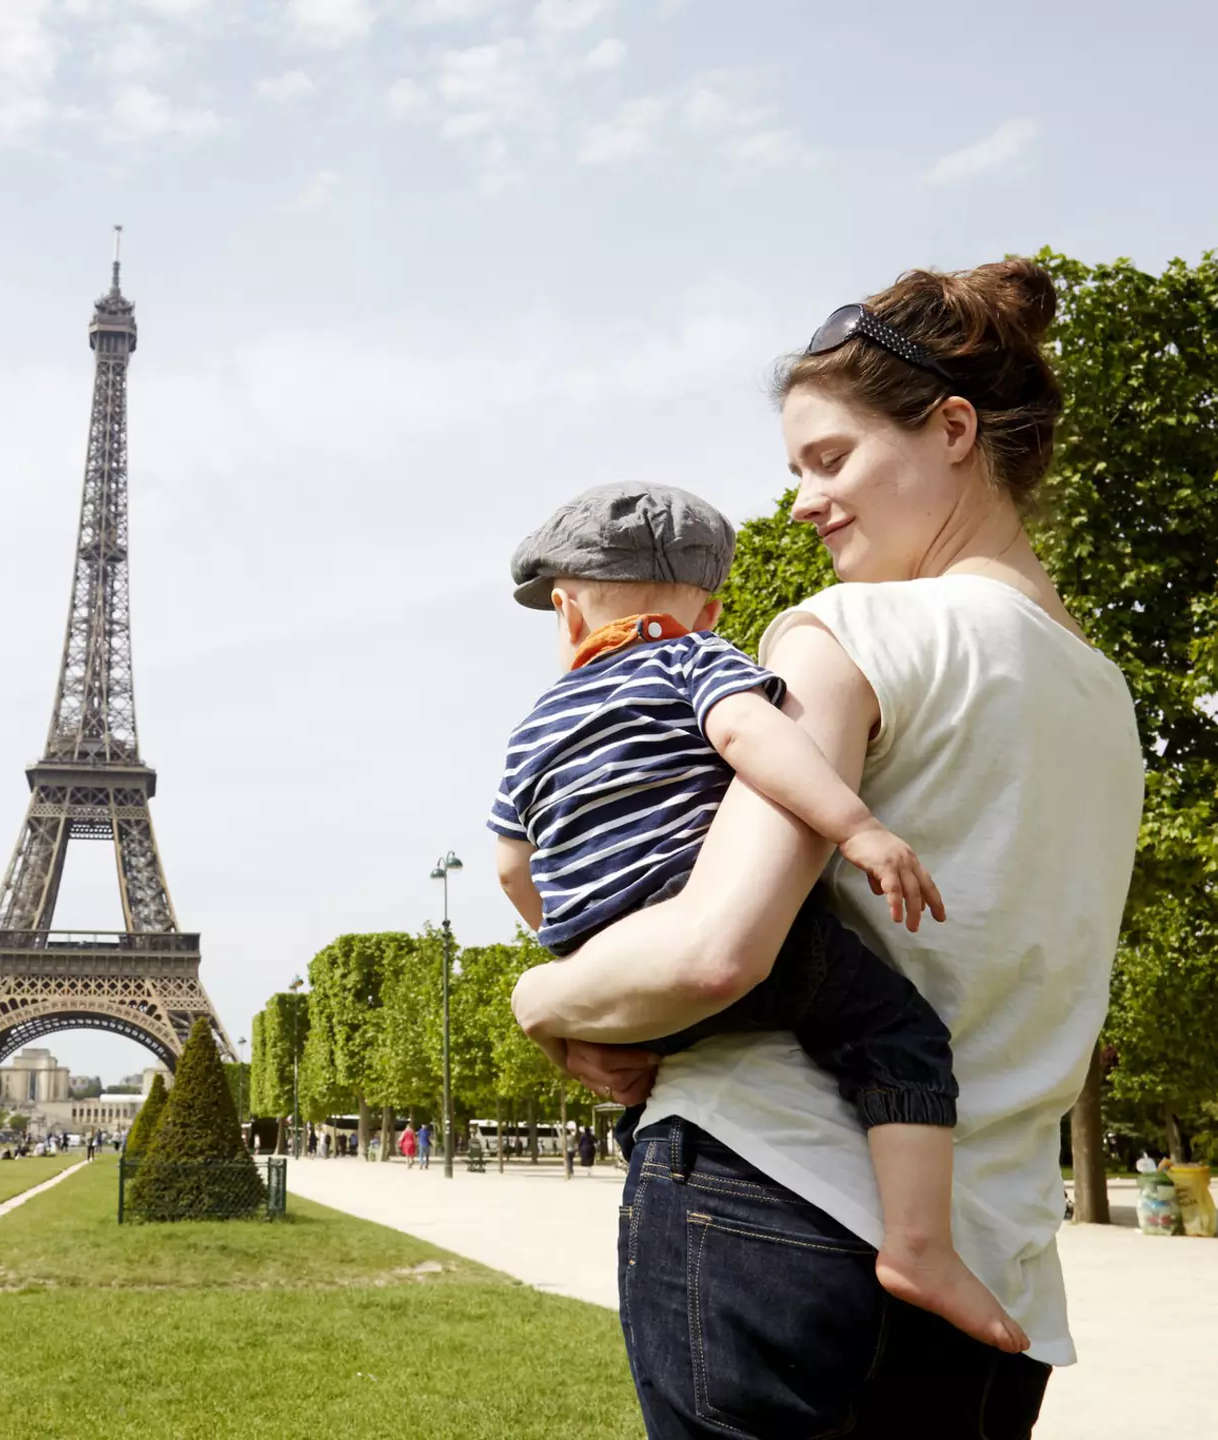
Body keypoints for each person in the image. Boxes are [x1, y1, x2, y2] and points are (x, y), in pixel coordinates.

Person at [511, 261, 1144, 1436]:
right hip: (989, 1257)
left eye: (828, 458)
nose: (800, 501)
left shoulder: (846, 631)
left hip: (773, 1195)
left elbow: (712, 953)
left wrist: (537, 996)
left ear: (951, 429)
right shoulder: (1107, 701)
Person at [490, 476, 1027, 1350]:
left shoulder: (531, 728)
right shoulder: (694, 658)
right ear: (707, 610)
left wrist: (577, 954)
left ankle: (632, 1103)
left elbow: (514, 868)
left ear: (566, 611)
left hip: (607, 948)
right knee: (897, 1034)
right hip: (705, 915)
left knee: (643, 1080)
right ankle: (921, 1245)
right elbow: (754, 739)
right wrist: (856, 827)